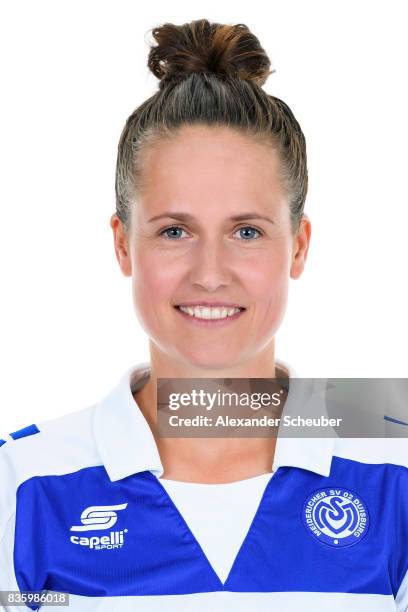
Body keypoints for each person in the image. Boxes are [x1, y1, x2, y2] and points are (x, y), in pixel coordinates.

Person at [1, 18, 407, 612]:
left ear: (298, 245)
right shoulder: (24, 484)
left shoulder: (394, 472)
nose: (210, 272)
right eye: (173, 231)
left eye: (246, 231)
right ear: (122, 245)